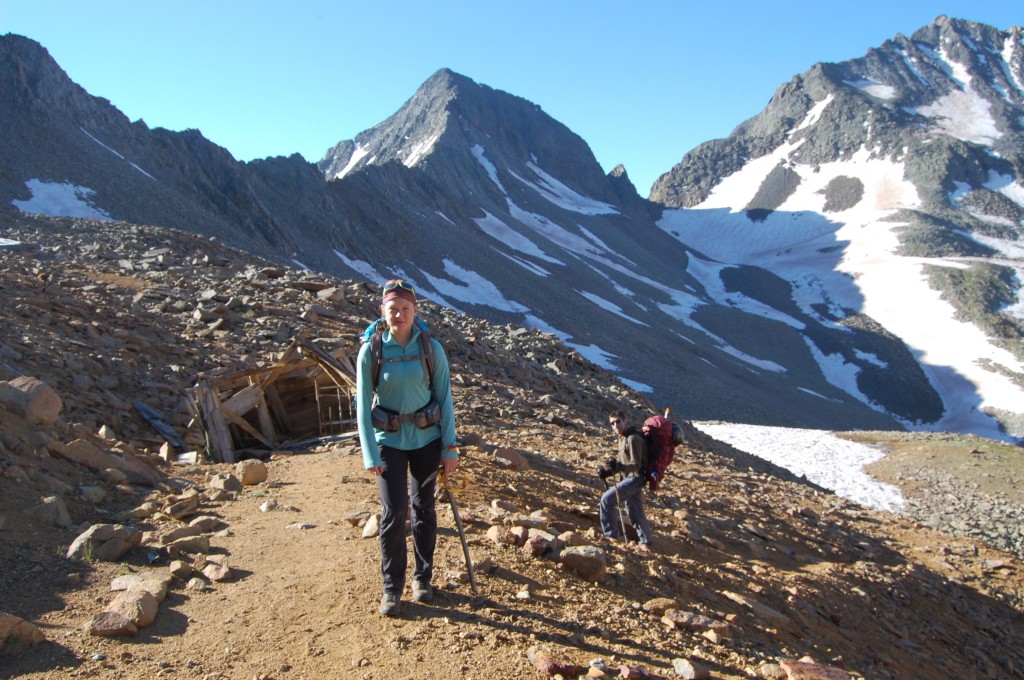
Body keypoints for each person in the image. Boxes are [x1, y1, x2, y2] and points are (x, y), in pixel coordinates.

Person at [356, 278, 459, 617]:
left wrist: (450, 448)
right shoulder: (371, 350)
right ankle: (391, 588)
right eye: (392, 309)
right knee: (395, 511)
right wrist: (369, 453)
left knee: (424, 508)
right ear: (382, 312)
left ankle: (423, 578)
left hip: (428, 440)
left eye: (404, 309)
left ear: (415, 311)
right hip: (389, 443)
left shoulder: (432, 348)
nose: (398, 315)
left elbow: (444, 398)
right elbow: (361, 406)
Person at [598, 410, 653, 551]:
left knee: (606, 500)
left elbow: (636, 465)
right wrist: (609, 471)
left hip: (635, 478)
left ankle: (611, 538)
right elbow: (622, 463)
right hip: (629, 478)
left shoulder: (632, 439)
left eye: (618, 421)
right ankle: (646, 543)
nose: (616, 425)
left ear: (625, 420)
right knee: (635, 511)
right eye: (612, 423)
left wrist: (619, 467)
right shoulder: (622, 438)